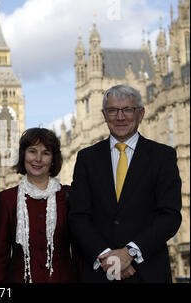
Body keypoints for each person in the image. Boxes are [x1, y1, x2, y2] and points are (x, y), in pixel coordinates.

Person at [69, 84, 182, 283]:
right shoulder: (87, 158)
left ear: (141, 113)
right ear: (104, 115)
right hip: (99, 274)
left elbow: (170, 215)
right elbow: (78, 217)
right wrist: (108, 258)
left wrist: (130, 253)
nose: (120, 117)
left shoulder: (163, 156)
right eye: (112, 110)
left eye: (128, 110)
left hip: (148, 273)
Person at [0, 128, 78, 283]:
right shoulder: (7, 199)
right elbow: (0, 257)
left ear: (53, 159)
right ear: (23, 155)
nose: (38, 159)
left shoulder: (69, 196)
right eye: (32, 151)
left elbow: (80, 252)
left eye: (45, 153)